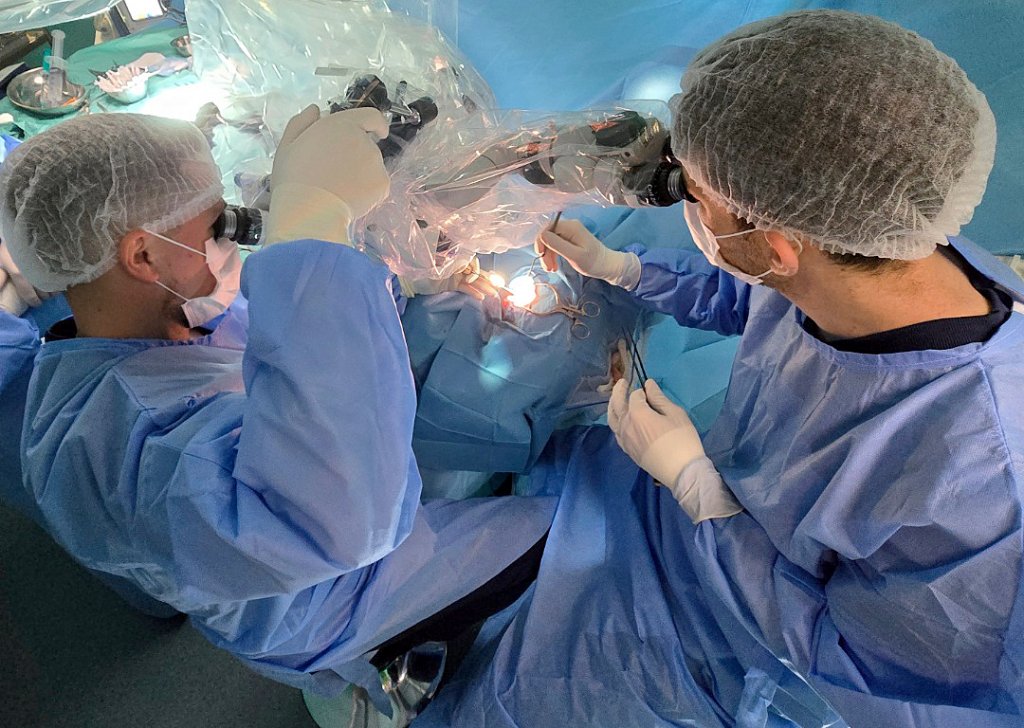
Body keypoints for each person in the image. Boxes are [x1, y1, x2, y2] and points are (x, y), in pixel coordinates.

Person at [419, 10, 1024, 727]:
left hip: (748, 653)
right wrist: (626, 269)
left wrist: (698, 489)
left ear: (777, 244)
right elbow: (766, 298)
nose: (682, 202)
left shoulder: (980, 491)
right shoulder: (898, 246)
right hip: (711, 519)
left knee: (516, 697)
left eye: (695, 197)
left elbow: (843, 649)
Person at [0, 108, 555, 721]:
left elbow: (280, 350)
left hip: (322, 496)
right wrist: (310, 237)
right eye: (215, 225)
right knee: (575, 530)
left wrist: (380, 239)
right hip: (330, 592)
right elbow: (338, 521)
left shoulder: (146, 326)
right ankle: (392, 668)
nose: (231, 238)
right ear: (143, 255)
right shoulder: (117, 452)